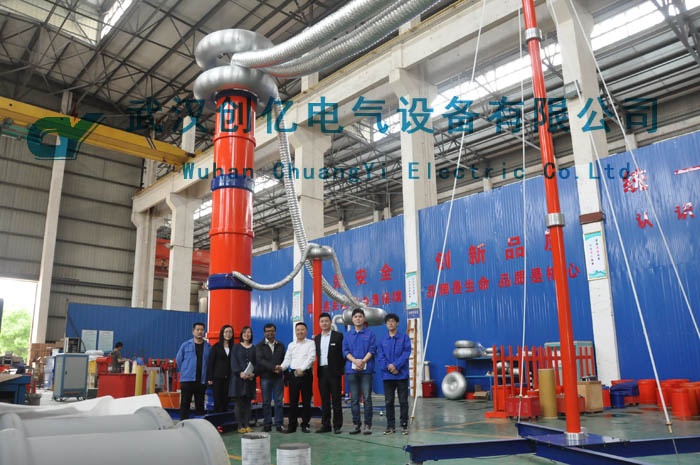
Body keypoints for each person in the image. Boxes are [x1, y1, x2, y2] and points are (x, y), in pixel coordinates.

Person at [342, 308, 377, 435]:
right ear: (352, 319)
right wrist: (355, 361)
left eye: (360, 316)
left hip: (366, 370)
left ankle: (367, 425)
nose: (358, 319)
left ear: (364, 319)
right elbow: (345, 351)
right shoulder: (347, 335)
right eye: (355, 317)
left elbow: (372, 349)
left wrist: (363, 361)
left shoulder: (370, 334)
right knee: (354, 399)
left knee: (367, 398)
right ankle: (356, 424)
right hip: (352, 371)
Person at [377, 313, 412, 435]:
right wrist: (390, 368)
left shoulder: (404, 338)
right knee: (389, 401)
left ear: (397, 323)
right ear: (386, 324)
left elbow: (406, 353)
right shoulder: (382, 340)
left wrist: (396, 366)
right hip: (388, 376)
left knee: (403, 401)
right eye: (388, 321)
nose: (390, 323)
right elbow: (380, 356)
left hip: (401, 374)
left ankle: (404, 425)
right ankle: (390, 426)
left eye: (393, 321)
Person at [280, 322, 316, 433]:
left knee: (306, 401)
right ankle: (292, 425)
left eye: (302, 329)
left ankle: (305, 424)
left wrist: (302, 369)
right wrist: (280, 367)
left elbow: (311, 357)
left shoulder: (311, 343)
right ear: (295, 331)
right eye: (298, 330)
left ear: (306, 331)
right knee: (293, 401)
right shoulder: (291, 345)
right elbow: (287, 359)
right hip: (294, 375)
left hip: (306, 374)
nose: (300, 332)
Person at [314, 312, 344, 434]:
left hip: (335, 373)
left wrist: (340, 369)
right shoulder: (316, 338)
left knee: (336, 400)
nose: (324, 323)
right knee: (324, 400)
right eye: (322, 321)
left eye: (326, 321)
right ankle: (325, 425)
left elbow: (343, 354)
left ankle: (337, 426)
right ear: (319, 323)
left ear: (330, 322)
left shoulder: (338, 336)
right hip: (322, 372)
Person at [176, 322, 211, 420]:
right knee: (185, 403)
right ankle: (183, 423)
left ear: (204, 332)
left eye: (202, 330)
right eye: (197, 329)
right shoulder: (185, 345)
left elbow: (209, 363)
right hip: (187, 380)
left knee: (200, 404)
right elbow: (179, 360)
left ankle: (199, 424)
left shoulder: (208, 347)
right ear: (193, 331)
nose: (200, 332)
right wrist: (185, 371)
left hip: (201, 380)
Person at [255, 323, 286, 432]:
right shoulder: (259, 346)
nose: (270, 333)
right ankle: (267, 424)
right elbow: (260, 360)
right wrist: (273, 367)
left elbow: (284, 359)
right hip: (265, 377)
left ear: (275, 332)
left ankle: (279, 424)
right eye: (268, 331)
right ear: (264, 333)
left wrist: (281, 368)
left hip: (278, 377)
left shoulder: (280, 345)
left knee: (279, 402)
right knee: (266, 402)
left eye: (272, 331)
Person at [231, 325, 256, 433]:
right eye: (245, 332)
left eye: (249, 332)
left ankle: (247, 424)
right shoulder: (236, 347)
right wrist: (239, 372)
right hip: (238, 379)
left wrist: (253, 374)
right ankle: (240, 425)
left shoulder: (254, 348)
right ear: (241, 334)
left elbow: (256, 363)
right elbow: (233, 362)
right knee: (239, 403)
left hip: (250, 379)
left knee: (248, 403)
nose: (247, 334)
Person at [206, 325, 233, 413]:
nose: (228, 334)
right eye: (226, 332)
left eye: (230, 332)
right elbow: (211, 363)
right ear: (222, 333)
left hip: (229, 378)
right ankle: (217, 420)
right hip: (217, 378)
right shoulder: (216, 347)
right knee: (218, 400)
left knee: (226, 400)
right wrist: (210, 378)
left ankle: (224, 419)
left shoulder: (234, 347)